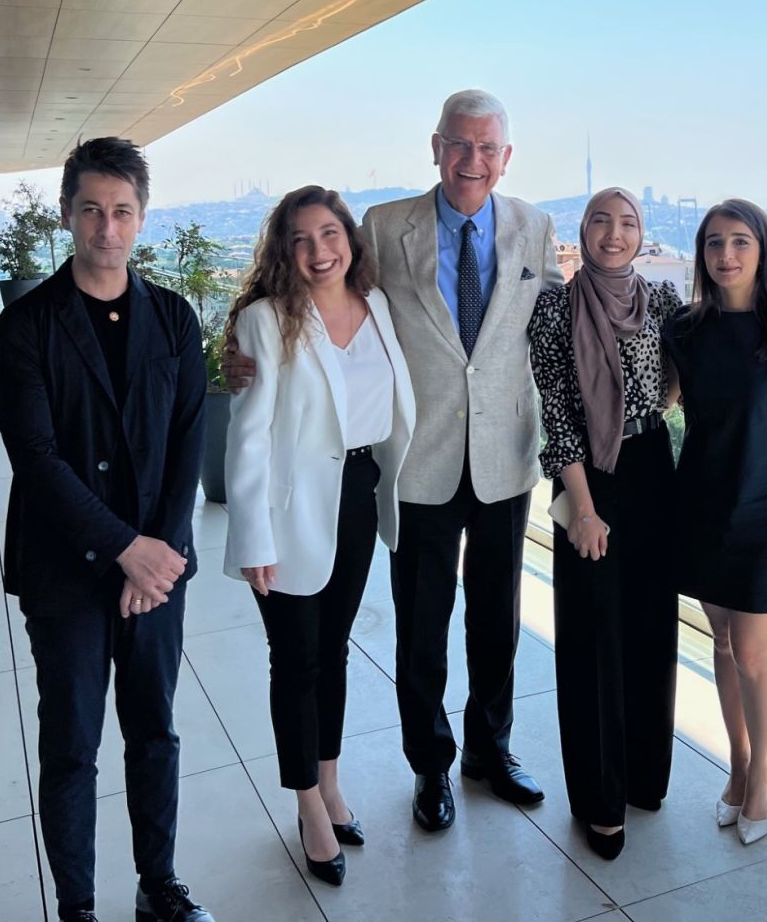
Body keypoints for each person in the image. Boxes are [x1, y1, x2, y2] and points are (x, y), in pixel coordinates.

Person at [225, 90, 561, 832]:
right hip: (417, 459)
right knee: (422, 625)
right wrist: (238, 353)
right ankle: (430, 764)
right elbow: (315, 298)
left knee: (497, 622)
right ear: (436, 146)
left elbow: (559, 326)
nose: (471, 160)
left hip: (505, 456)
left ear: (506, 158)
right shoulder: (382, 226)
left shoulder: (535, 227)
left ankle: (491, 749)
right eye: (459, 144)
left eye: (487, 148)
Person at [0, 138, 213, 922]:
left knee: (155, 732)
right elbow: (37, 459)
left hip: (157, 572)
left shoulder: (175, 319)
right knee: (72, 746)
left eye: (122, 211)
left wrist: (162, 556)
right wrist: (127, 549)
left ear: (142, 218)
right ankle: (78, 907)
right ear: (67, 215)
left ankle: (159, 886)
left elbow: (188, 445)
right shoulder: (26, 325)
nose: (107, 228)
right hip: (66, 571)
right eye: (92, 210)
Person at [222, 187, 415, 886]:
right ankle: (307, 804)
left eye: (329, 233)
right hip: (288, 511)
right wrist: (252, 537)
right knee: (295, 659)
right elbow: (247, 437)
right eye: (301, 239)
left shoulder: (378, 307)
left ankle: (330, 784)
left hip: (358, 494)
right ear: (284, 250)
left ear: (350, 239)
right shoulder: (266, 320)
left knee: (333, 650)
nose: (319, 250)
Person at [661, 199, 767, 846]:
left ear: (764, 250)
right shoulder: (683, 329)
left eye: (739, 242)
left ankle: (762, 774)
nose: (726, 255)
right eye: (713, 243)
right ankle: (735, 763)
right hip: (701, 502)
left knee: (754, 652)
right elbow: (664, 400)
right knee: (724, 642)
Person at [526, 188, 681, 861]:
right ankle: (600, 799)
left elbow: (679, 380)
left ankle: (644, 776)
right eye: (600, 221)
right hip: (588, 476)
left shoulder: (662, 300)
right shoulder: (555, 307)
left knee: (650, 626)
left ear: (641, 235)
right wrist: (585, 509)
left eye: (627, 223)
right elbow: (557, 412)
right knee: (594, 638)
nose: (614, 234)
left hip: (652, 466)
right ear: (583, 231)